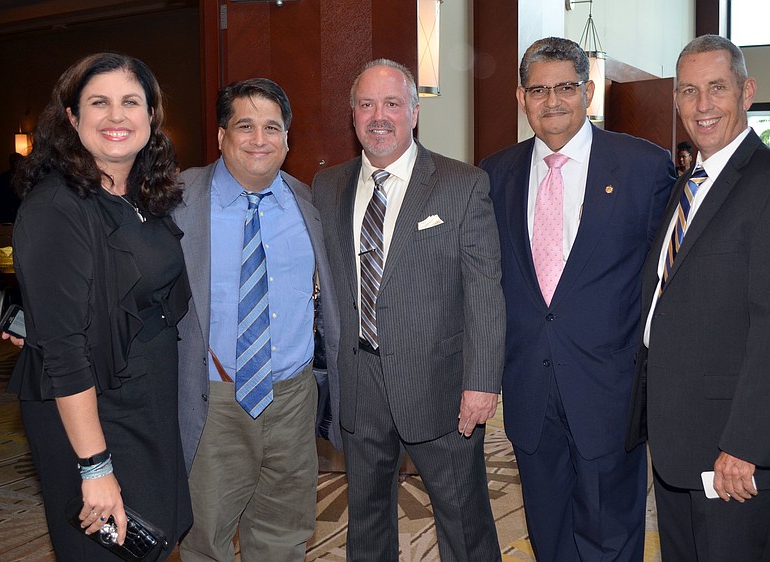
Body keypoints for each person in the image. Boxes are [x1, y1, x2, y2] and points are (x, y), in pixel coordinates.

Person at [626, 35, 770, 561]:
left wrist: (744, 445)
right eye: (689, 91)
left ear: (746, 91)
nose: (702, 105)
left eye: (717, 88)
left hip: (736, 449)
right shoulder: (688, 184)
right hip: (681, 439)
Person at [479, 37, 675, 561]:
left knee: (610, 536)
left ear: (588, 92)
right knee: (548, 532)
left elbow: (666, 284)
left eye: (565, 87)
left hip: (609, 390)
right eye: (538, 90)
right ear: (521, 98)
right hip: (529, 388)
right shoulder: (494, 174)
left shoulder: (643, 166)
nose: (552, 101)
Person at [312, 59, 505, 562]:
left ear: (414, 113)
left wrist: (482, 382)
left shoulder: (462, 184)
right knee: (367, 523)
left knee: (464, 523)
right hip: (360, 384)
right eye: (367, 104)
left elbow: (484, 290)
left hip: (442, 388)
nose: (379, 116)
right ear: (353, 114)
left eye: (392, 104)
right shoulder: (327, 187)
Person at [6, 52, 192, 560]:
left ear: (150, 115)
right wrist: (95, 466)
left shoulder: (142, 194)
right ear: (72, 117)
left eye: (130, 102)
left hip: (146, 401)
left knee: (154, 537)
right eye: (98, 103)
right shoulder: (56, 206)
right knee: (110, 548)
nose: (116, 116)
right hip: (92, 413)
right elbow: (64, 352)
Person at [174, 78, 340, 562]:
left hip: (292, 397)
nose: (259, 139)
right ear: (221, 135)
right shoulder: (177, 200)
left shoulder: (308, 203)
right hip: (213, 399)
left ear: (287, 139)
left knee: (284, 534)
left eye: (272, 127)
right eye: (245, 126)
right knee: (206, 536)